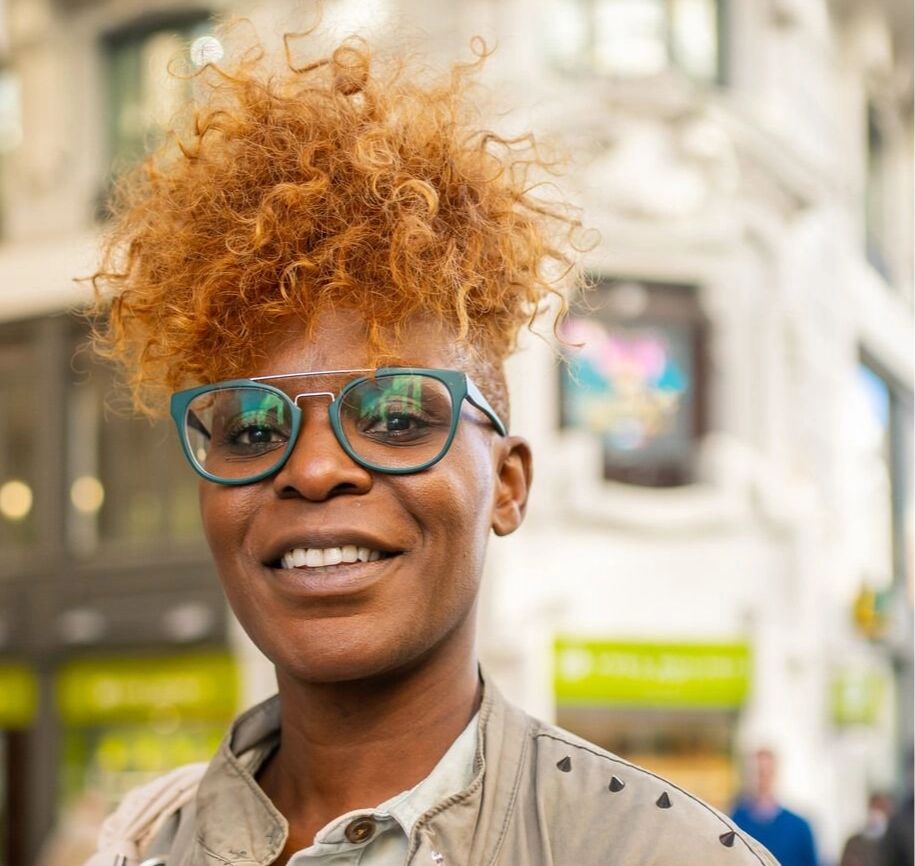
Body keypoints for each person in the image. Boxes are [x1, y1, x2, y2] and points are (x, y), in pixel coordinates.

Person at [84, 22, 781, 866]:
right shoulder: (141, 844)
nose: (312, 468)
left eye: (397, 416)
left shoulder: (670, 854)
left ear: (508, 483)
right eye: (251, 428)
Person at [731, 748, 819, 866]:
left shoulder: (799, 827)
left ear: (775, 774)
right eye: (757, 772)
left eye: (767, 772)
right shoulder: (734, 826)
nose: (762, 779)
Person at [840, 792, 892, 866]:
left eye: (881, 808)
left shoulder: (893, 844)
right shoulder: (854, 843)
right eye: (874, 807)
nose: (877, 813)